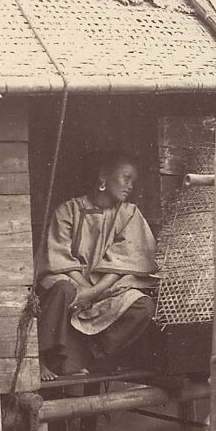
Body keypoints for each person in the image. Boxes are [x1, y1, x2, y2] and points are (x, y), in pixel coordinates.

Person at [35, 152, 160, 381]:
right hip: (71, 279)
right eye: (126, 177)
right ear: (104, 175)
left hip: (105, 285)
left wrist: (94, 292)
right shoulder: (68, 210)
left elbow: (125, 260)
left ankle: (87, 353)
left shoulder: (129, 213)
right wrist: (83, 288)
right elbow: (59, 256)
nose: (130, 185)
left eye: (133, 181)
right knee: (63, 289)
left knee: (142, 306)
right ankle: (41, 359)